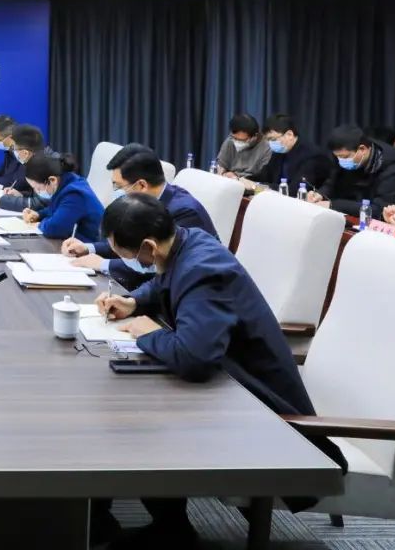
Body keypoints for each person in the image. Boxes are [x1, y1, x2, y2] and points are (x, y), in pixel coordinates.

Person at [92, 194, 345, 547]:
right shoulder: (186, 242)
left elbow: (194, 358)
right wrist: (133, 301)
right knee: (134, 407)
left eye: (126, 254)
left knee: (138, 419)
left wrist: (148, 333)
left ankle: (168, 532)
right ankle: (152, 523)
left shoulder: (203, 269)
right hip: (231, 387)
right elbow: (164, 281)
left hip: (267, 415)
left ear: (149, 245)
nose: (127, 261)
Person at [62, 144, 217, 289]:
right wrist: (89, 248)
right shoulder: (145, 205)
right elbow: (130, 244)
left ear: (141, 185)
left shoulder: (184, 212)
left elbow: (161, 268)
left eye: (118, 186)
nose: (115, 191)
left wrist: (103, 264)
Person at [308, 123, 395, 216]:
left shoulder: (393, 172)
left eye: (344, 157)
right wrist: (320, 194)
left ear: (362, 149)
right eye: (337, 157)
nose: (341, 161)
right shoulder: (346, 156)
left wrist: (333, 205)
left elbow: (379, 210)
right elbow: (332, 182)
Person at [19, 152, 103, 242]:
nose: (37, 192)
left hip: (88, 244)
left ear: (52, 180)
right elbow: (58, 208)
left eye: (38, 188)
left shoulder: (74, 194)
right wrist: (38, 214)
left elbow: (54, 228)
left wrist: (38, 225)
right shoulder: (66, 181)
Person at [243, 113, 332, 193]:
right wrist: (243, 180)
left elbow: (294, 191)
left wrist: (255, 186)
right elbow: (264, 175)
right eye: (268, 140)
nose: (270, 143)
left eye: (273, 139)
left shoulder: (313, 156)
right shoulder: (279, 153)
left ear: (289, 134)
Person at [0, 124, 45, 211]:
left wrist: (0, 202)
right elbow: (39, 197)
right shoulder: (38, 162)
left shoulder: (44, 168)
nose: (13, 151)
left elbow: (38, 204)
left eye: (14, 148)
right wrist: (21, 194)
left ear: (25, 153)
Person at [215, 113, 270, 179]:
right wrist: (223, 174)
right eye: (234, 138)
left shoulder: (267, 147)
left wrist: (239, 178)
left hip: (252, 181)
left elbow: (264, 176)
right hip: (231, 180)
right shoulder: (230, 141)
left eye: (242, 140)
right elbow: (221, 165)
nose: (236, 142)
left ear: (255, 136)